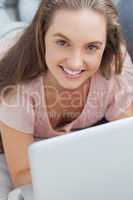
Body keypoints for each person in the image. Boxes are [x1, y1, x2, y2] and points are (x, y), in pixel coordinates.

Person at [0, 0, 133, 199]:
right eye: (63, 42)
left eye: (91, 47)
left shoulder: (114, 67)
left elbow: (125, 144)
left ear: (106, 46)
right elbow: (22, 175)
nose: (75, 63)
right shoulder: (16, 86)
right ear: (41, 35)